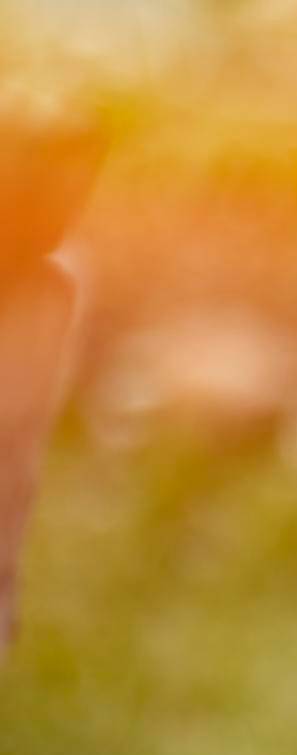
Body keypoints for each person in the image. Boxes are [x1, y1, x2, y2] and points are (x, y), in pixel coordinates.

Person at [0, 90, 101, 658]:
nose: (69, 210)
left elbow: (18, 458)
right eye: (51, 192)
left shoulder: (58, 292)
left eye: (82, 190)